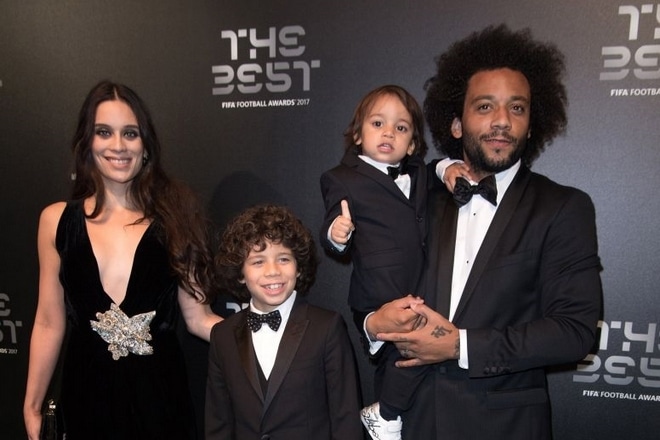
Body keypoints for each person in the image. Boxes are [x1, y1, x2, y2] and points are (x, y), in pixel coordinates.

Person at [366, 24, 603, 439]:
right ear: (457, 124)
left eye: (517, 108)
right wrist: (373, 323)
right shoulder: (417, 198)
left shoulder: (563, 207)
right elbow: (372, 283)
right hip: (413, 419)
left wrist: (460, 345)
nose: (502, 121)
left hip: (505, 426)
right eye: (485, 106)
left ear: (531, 124)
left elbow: (575, 332)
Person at [23, 80, 223, 440]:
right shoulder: (56, 221)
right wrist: (32, 405)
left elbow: (198, 318)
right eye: (104, 132)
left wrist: (263, 335)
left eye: (130, 133)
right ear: (88, 142)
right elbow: (49, 322)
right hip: (85, 397)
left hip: (161, 402)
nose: (118, 145)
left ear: (145, 146)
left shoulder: (176, 219)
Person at [319, 85, 465, 440]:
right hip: (377, 290)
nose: (388, 133)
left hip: (420, 285)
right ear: (358, 134)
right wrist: (337, 233)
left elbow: (434, 168)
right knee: (405, 352)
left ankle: (385, 413)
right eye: (378, 123)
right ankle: (386, 414)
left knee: (411, 356)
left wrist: (448, 166)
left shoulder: (418, 173)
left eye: (401, 128)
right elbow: (332, 220)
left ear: (412, 144)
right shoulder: (341, 178)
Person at [206, 204, 363, 440]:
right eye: (258, 262)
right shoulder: (223, 335)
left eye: (283, 259)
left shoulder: (326, 328)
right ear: (240, 273)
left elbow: (346, 420)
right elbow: (218, 423)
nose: (272, 271)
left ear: (298, 267)